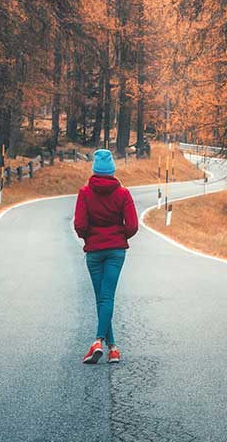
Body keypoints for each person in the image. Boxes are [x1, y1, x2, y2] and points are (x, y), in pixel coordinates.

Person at [73, 149, 138, 364]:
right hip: (115, 252)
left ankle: (99, 341)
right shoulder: (123, 194)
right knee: (106, 297)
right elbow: (133, 225)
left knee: (102, 297)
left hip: (94, 251)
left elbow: (80, 225)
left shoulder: (84, 193)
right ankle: (112, 348)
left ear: (95, 169)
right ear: (112, 170)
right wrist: (120, 236)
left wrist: (89, 238)